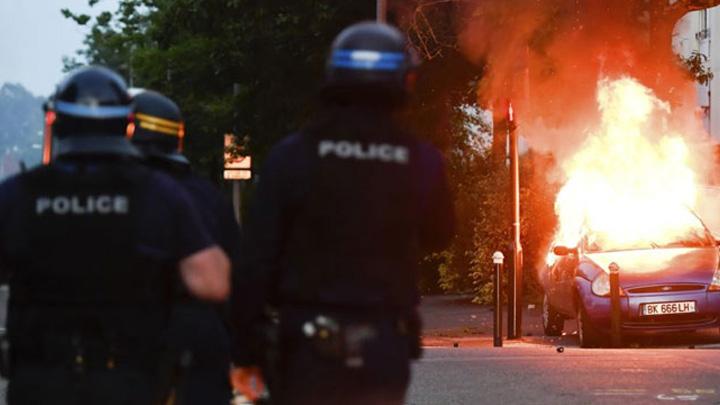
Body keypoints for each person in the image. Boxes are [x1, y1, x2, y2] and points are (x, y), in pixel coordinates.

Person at [232, 22, 454, 405]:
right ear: (404, 80)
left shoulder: (293, 155)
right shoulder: (421, 160)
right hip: (383, 345)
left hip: (307, 343)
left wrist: (246, 349)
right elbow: (441, 233)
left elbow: (255, 260)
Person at [0, 66, 230, 405]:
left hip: (40, 380)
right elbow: (213, 282)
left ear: (56, 123)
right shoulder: (160, 193)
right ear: (127, 125)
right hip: (129, 379)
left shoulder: (19, 194)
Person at [129, 89, 239, 404]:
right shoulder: (208, 196)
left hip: (134, 336)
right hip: (201, 334)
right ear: (177, 137)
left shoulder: (115, 194)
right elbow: (237, 272)